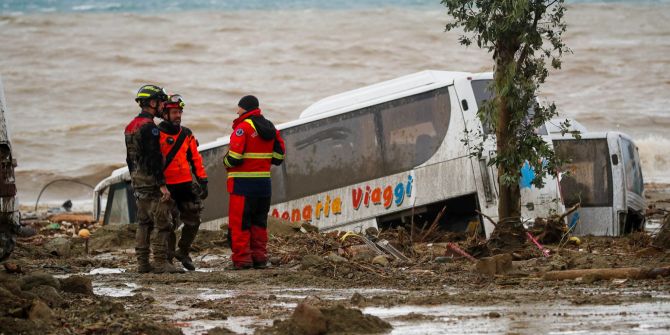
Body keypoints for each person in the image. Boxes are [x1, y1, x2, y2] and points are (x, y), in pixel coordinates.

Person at [223, 95, 285, 269]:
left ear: (246, 109)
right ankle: (259, 258)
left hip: (242, 185)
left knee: (240, 223)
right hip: (264, 184)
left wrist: (225, 162)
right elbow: (279, 157)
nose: (237, 111)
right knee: (259, 222)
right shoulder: (270, 127)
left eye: (239, 108)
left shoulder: (242, 128)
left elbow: (234, 157)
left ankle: (242, 260)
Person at [124, 84, 181, 274]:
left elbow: (129, 158)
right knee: (162, 222)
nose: (163, 107)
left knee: (143, 222)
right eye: (161, 102)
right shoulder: (150, 128)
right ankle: (159, 262)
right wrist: (163, 185)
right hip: (152, 181)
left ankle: (142, 263)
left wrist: (134, 177)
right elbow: (155, 159)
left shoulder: (130, 126)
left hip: (137, 179)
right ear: (152, 103)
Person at [158, 93, 208, 271]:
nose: (178, 115)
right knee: (168, 224)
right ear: (165, 114)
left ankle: (183, 251)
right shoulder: (157, 134)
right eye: (174, 112)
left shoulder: (186, 134)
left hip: (186, 185)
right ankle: (169, 258)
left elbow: (195, 159)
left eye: (180, 112)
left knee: (194, 219)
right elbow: (152, 162)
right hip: (167, 187)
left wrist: (203, 180)